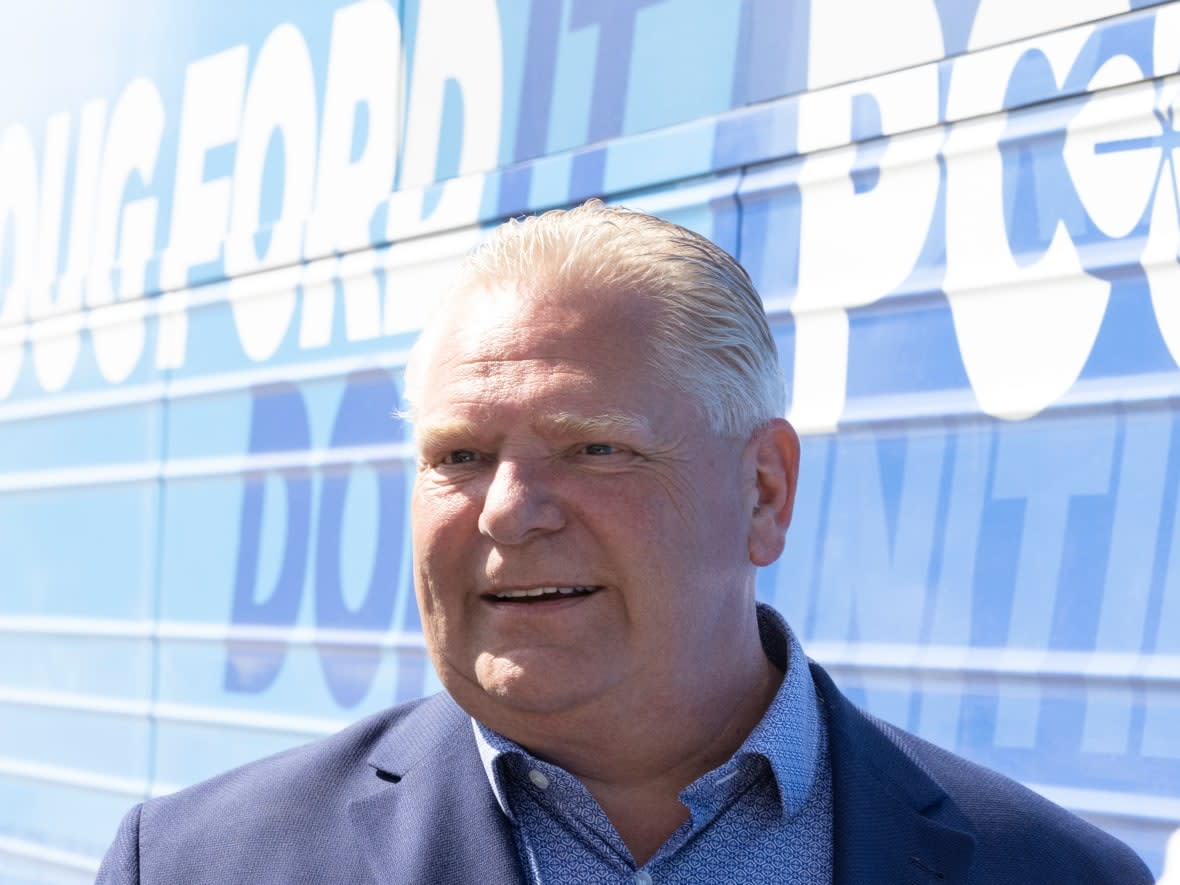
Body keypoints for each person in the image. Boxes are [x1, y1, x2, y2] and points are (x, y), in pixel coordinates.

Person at [96, 201, 1153, 884]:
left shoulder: (1054, 874)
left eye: (593, 448)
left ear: (764, 490)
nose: (509, 511)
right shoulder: (197, 863)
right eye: (458, 457)